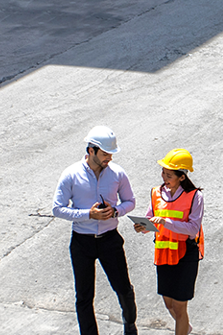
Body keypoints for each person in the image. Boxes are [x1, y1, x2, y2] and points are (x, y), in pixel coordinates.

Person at [52, 125, 138, 335]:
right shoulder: (71, 174)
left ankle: (130, 323)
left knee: (123, 288)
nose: (109, 158)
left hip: (110, 240)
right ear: (91, 150)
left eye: (111, 154)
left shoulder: (117, 173)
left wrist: (115, 211)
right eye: (105, 154)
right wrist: (87, 214)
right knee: (84, 296)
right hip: (82, 242)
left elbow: (130, 201)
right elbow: (57, 208)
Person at [139, 148, 204, 335]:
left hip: (185, 254)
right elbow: (150, 219)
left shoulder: (194, 197)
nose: (164, 177)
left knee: (179, 305)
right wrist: (143, 227)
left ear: (182, 177)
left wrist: (167, 223)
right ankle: (185, 328)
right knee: (169, 303)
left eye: (169, 175)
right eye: (163, 173)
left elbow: (193, 229)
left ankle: (182, 328)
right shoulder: (156, 193)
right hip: (164, 252)